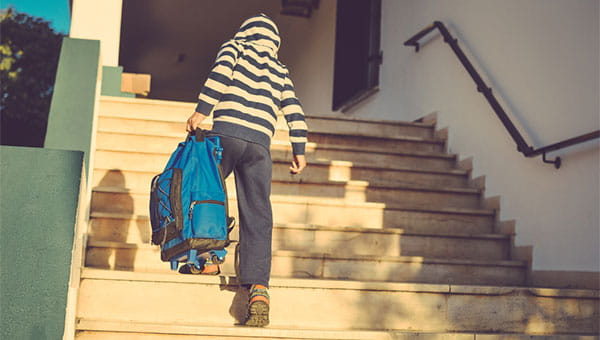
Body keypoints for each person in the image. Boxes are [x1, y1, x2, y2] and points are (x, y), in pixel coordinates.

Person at [185, 13, 308, 327]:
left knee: (206, 194)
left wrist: (202, 110)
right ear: (275, 42)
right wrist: (299, 149)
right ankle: (259, 290)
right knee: (258, 214)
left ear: (245, 34)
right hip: (259, 147)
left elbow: (220, 74)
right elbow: (294, 110)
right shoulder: (281, 69)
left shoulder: (235, 48)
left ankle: (208, 259)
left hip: (224, 135)